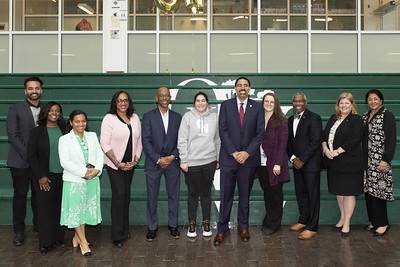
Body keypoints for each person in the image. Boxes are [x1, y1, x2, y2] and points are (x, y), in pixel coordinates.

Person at [214, 77, 264, 245]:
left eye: (245, 85)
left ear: (250, 88)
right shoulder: (226, 105)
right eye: (239, 85)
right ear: (235, 88)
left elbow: (259, 133)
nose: (242, 88)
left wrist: (247, 153)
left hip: (248, 160)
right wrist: (235, 152)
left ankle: (244, 227)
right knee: (225, 195)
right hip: (229, 159)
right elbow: (223, 130)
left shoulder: (257, 107)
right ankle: (222, 229)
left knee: (244, 195)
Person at [100, 91, 142, 248]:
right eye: (119, 100)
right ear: (115, 103)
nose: (123, 103)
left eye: (125, 100)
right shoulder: (109, 119)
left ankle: (124, 230)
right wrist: (118, 163)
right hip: (115, 165)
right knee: (119, 196)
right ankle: (117, 235)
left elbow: (139, 141)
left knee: (126, 196)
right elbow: (104, 143)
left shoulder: (135, 118)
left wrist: (135, 161)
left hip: (130, 165)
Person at [58, 110, 103, 256]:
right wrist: (84, 172)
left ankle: (77, 237)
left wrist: (97, 170)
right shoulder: (65, 139)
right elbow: (65, 162)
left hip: (92, 180)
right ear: (71, 123)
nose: (81, 124)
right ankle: (84, 242)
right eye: (77, 121)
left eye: (83, 121)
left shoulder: (92, 136)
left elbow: (99, 155)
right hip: (74, 180)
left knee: (83, 211)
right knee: (76, 212)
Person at [177, 92, 220, 238]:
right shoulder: (187, 117)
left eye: (203, 100)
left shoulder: (214, 117)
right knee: (193, 194)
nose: (200, 103)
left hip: (209, 161)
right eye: (197, 101)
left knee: (206, 193)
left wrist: (218, 157)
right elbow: (182, 140)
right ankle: (192, 224)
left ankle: (206, 223)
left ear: (207, 102)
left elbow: (218, 139)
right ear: (194, 103)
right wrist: (184, 160)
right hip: (192, 163)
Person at [142, 87, 182, 241]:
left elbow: (181, 140)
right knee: (152, 197)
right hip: (154, 163)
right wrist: (158, 159)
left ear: (170, 97)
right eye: (161, 96)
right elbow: (146, 141)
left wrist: (172, 157)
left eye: (167, 95)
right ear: (156, 98)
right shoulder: (148, 116)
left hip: (172, 163)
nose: (164, 98)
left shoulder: (177, 117)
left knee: (174, 196)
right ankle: (152, 227)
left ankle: (173, 226)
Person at [6, 76, 43, 246]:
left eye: (36, 88)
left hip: (40, 163)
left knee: (39, 196)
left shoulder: (47, 109)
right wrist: (30, 155)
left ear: (41, 90)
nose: (33, 91)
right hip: (20, 162)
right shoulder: (15, 109)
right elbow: (13, 136)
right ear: (25, 90)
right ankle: (19, 231)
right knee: (20, 197)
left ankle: (38, 226)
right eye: (30, 88)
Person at [322, 92, 364, 238]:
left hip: (350, 163)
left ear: (352, 105)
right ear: (338, 105)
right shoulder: (334, 118)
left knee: (348, 192)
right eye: (341, 103)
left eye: (347, 103)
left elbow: (354, 139)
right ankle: (342, 218)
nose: (344, 105)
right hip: (334, 163)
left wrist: (337, 151)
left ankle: (347, 223)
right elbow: (324, 135)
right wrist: (326, 149)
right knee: (339, 192)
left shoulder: (357, 120)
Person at [27, 102, 67, 256]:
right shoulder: (37, 132)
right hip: (45, 176)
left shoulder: (65, 130)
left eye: (57, 110)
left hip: (63, 176)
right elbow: (32, 156)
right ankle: (45, 242)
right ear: (45, 113)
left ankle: (58, 238)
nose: (54, 113)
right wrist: (40, 176)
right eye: (51, 110)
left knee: (59, 207)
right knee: (45, 210)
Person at [287, 93, 322, 240]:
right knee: (301, 194)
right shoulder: (289, 119)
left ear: (306, 102)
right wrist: (294, 158)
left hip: (310, 164)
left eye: (300, 100)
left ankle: (312, 227)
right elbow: (288, 142)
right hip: (297, 164)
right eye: (295, 101)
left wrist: (302, 159)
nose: (298, 103)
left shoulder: (314, 118)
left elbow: (315, 142)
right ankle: (303, 220)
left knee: (312, 196)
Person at [362, 89, 396, 236]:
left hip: (380, 160)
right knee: (369, 192)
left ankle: (383, 223)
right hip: (366, 161)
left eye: (376, 99)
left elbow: (391, 139)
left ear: (381, 100)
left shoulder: (386, 115)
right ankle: (374, 221)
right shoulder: (365, 116)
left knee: (379, 192)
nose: (373, 102)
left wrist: (386, 159)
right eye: (370, 99)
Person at [256, 93, 290, 236]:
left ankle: (274, 224)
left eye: (272, 102)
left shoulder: (281, 120)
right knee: (268, 193)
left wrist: (278, 164)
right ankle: (268, 220)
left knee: (275, 195)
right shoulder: (258, 119)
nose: (269, 104)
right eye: (266, 101)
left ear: (276, 104)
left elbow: (283, 144)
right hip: (261, 164)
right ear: (263, 102)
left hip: (275, 164)